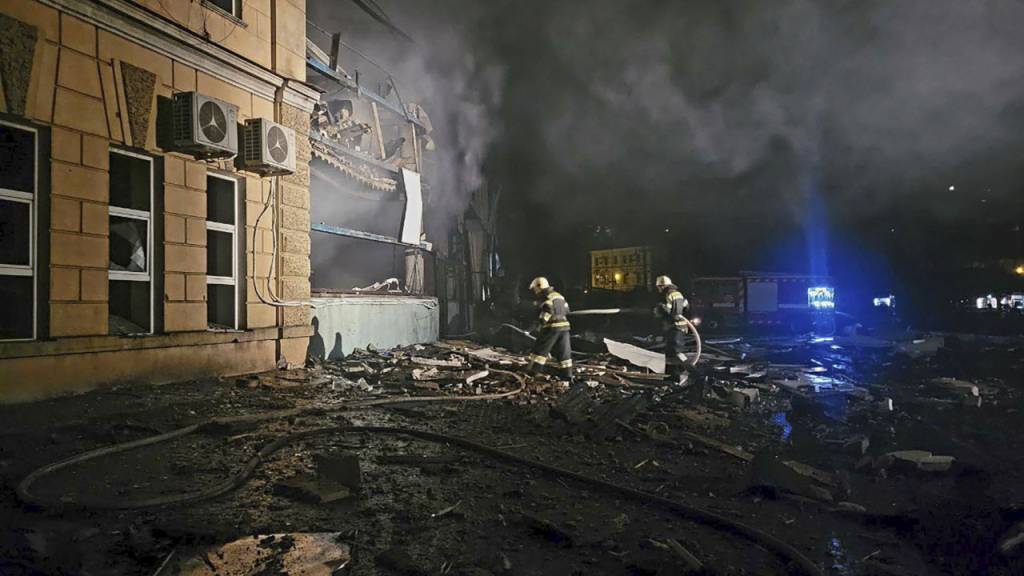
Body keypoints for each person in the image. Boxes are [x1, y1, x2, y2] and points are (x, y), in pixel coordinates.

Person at [526, 277, 573, 381]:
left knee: (541, 350)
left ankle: (533, 372)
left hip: (552, 328)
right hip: (565, 327)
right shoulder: (559, 296)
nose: (535, 291)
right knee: (564, 352)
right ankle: (568, 375)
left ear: (539, 287)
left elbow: (544, 317)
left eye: (535, 289)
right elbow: (567, 310)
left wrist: (533, 328)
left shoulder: (546, 298)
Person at [654, 275, 690, 384]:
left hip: (675, 327)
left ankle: (676, 376)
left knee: (674, 353)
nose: (658, 289)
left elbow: (672, 313)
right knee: (674, 352)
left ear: (662, 286)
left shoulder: (669, 294)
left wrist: (661, 309)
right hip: (680, 327)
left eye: (659, 287)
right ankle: (677, 374)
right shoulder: (677, 293)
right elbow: (687, 307)